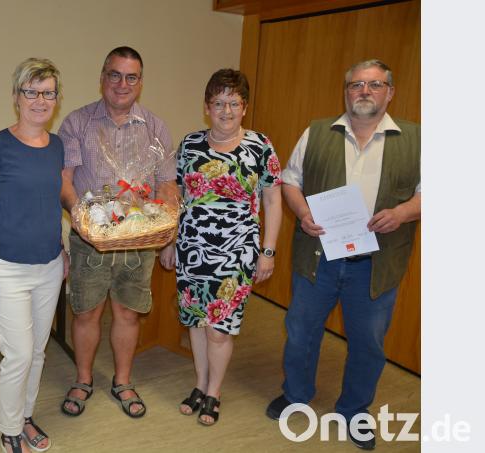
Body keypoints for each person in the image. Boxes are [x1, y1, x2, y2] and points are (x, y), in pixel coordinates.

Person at [265, 59, 420, 450]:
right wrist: (302, 212)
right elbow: (289, 179)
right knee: (301, 331)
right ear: (346, 91)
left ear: (390, 91)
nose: (364, 91)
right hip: (319, 258)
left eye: (374, 84)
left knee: (368, 343)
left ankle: (354, 411)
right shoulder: (316, 132)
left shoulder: (417, 139)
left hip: (376, 265)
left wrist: (402, 213)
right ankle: (296, 394)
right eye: (356, 85)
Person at [159, 69, 283, 426]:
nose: (226, 111)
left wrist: (268, 250)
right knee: (197, 323)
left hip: (238, 252)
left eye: (234, 103)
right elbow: (176, 197)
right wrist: (168, 241)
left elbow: (273, 202)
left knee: (219, 328)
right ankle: (199, 384)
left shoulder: (261, 146)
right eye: (218, 103)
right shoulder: (190, 144)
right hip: (191, 248)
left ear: (244, 107)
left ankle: (214, 391)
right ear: (206, 107)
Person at [59, 46, 175, 419]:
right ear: (102, 77)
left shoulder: (156, 127)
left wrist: (164, 224)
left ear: (140, 82)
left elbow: (167, 185)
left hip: (138, 239)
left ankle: (123, 380)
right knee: (86, 313)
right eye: (115, 75)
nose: (122, 84)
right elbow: (65, 182)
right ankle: (83, 378)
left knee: (127, 313)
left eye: (131, 77)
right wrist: (86, 221)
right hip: (89, 238)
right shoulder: (77, 123)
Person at [0, 57, 67, 453]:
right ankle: (8, 428)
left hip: (48, 265)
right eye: (32, 92)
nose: (40, 100)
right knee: (19, 353)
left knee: (37, 352)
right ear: (16, 97)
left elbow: (48, 203)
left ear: (56, 99)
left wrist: (62, 251)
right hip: (4, 268)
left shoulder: (57, 146)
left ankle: (25, 417)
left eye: (48, 93)